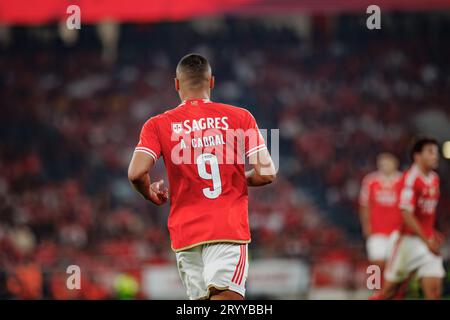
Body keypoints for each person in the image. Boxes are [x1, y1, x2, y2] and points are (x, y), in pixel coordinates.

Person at [128, 53, 276, 300]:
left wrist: (149, 192)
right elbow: (267, 173)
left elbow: (135, 173)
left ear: (176, 84)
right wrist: (236, 176)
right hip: (226, 229)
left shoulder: (158, 124)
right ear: (212, 82)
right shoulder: (241, 117)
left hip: (186, 236)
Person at [379, 137, 445, 299]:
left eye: (436, 152)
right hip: (408, 243)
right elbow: (406, 213)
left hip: (427, 241)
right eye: (430, 152)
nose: (435, 156)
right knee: (389, 292)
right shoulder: (410, 178)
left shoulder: (434, 179)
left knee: (435, 293)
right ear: (417, 156)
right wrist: (426, 239)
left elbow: (427, 214)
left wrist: (433, 233)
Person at [359, 153, 402, 278]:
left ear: (395, 163)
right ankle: (375, 292)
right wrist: (366, 226)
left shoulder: (403, 180)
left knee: (394, 265)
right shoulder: (370, 181)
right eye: (382, 163)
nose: (385, 166)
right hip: (376, 230)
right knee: (375, 264)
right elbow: (364, 206)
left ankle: (393, 294)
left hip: (397, 231)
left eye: (388, 163)